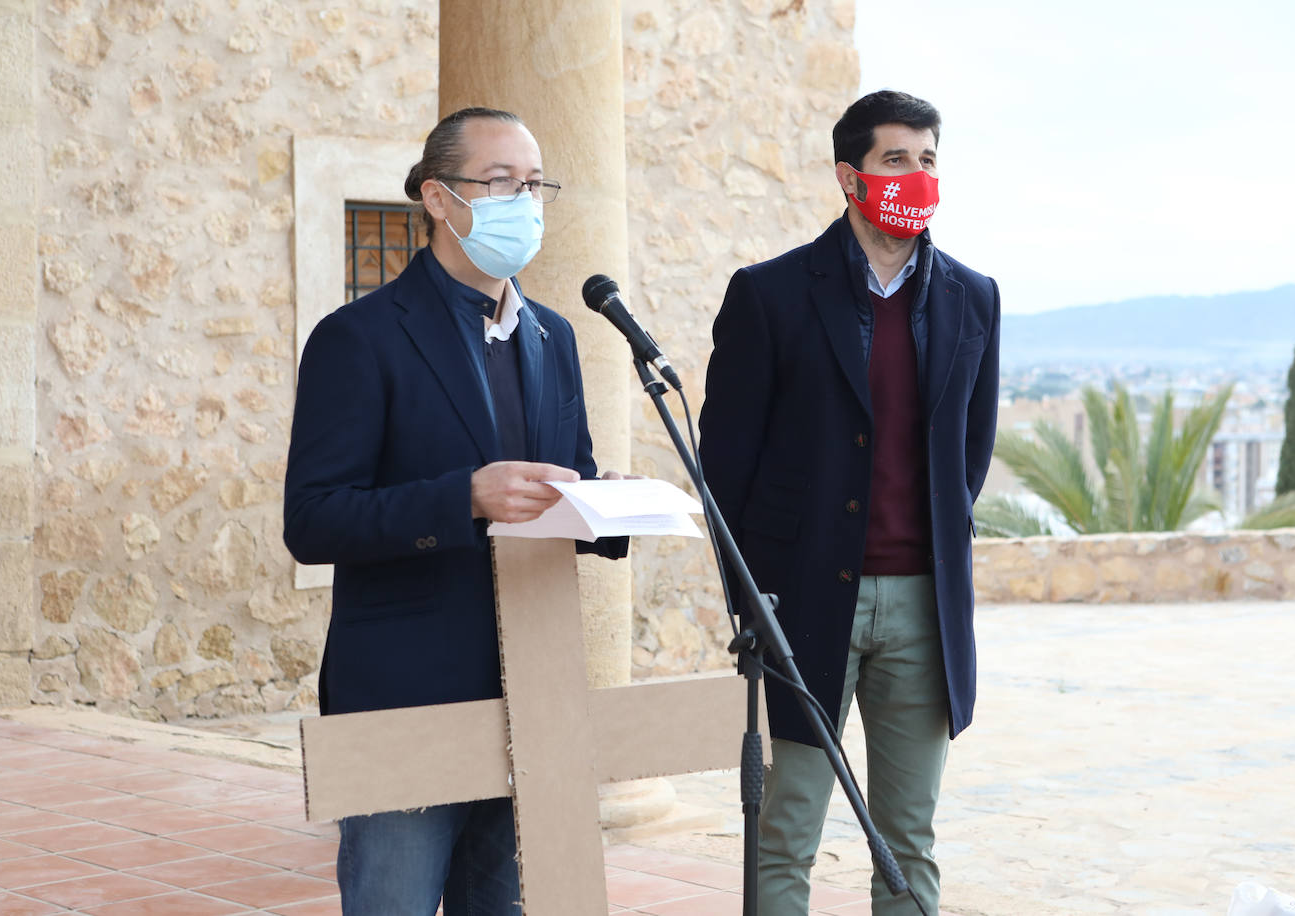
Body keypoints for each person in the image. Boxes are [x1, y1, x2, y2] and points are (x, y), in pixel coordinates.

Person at [283, 106, 627, 915]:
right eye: (501, 181)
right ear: (438, 199)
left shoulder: (555, 336)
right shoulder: (359, 337)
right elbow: (314, 519)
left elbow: (557, 484)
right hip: (407, 692)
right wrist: (462, 498)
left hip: (530, 687)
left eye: (535, 184)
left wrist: (603, 506)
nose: (525, 200)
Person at [698, 90, 1000, 915]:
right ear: (849, 175)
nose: (917, 173)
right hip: (803, 604)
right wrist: (752, 606)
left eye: (929, 158)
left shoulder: (975, 298)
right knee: (786, 833)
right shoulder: (771, 295)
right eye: (896, 158)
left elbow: (969, 457)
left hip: (922, 611)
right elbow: (724, 468)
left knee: (909, 840)